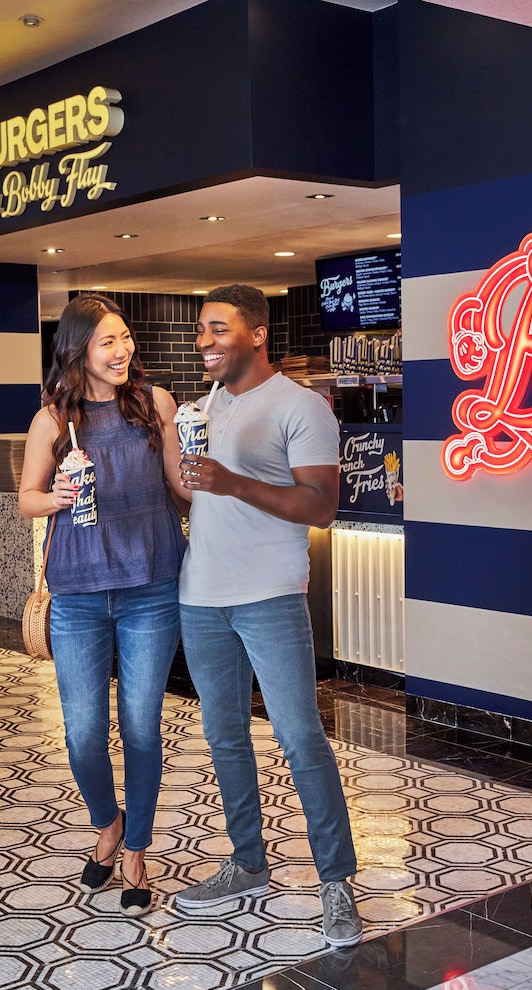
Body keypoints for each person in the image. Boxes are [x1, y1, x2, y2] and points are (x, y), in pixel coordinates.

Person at [174, 284, 362, 948]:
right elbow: (194, 496)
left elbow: (320, 506)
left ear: (257, 333)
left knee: (300, 737)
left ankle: (336, 882)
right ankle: (248, 862)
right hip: (200, 596)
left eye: (218, 329)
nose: (204, 341)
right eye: (201, 331)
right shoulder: (203, 408)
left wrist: (232, 482)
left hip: (271, 594)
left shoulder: (300, 406)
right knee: (224, 735)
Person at [19, 294, 186, 918]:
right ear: (78, 350)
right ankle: (107, 821)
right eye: (107, 341)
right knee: (83, 733)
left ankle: (135, 849)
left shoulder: (155, 404)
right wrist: (58, 494)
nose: (123, 351)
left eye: (125, 338)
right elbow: (27, 499)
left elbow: (179, 487)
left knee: (142, 726)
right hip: (79, 596)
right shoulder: (52, 421)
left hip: (151, 588)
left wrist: (218, 477)